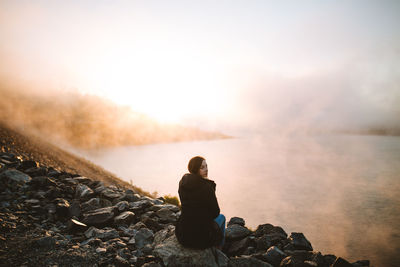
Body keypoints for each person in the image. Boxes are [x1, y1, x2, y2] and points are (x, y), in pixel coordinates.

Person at [175, 156, 225, 249]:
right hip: (200, 238)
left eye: (206, 166)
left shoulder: (183, 182)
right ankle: (219, 251)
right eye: (202, 167)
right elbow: (215, 212)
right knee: (222, 217)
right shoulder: (206, 187)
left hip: (183, 235)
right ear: (195, 169)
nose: (206, 169)